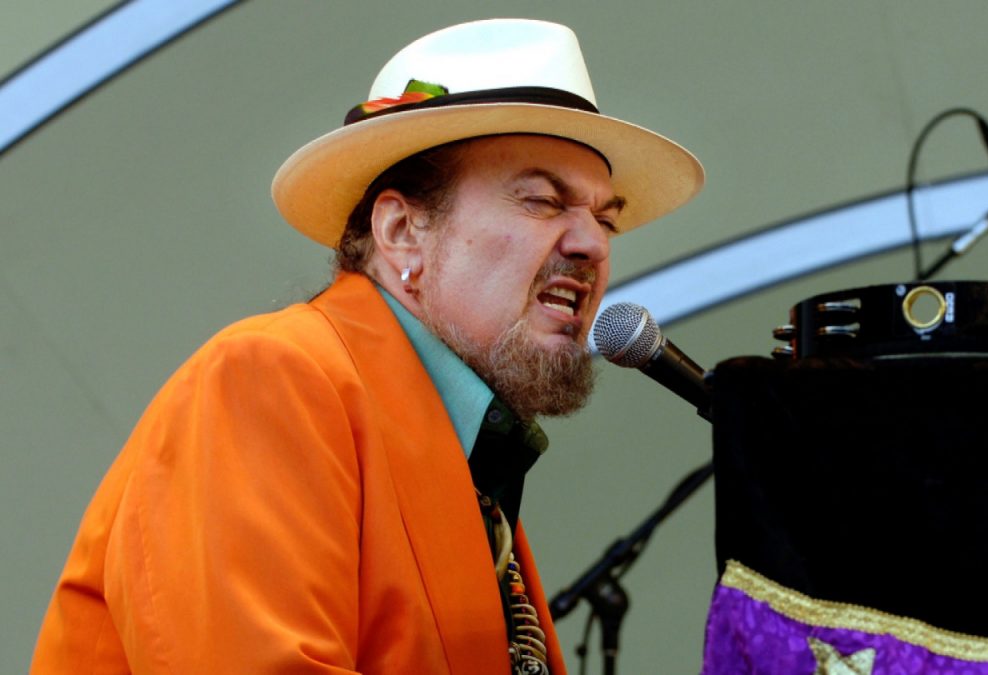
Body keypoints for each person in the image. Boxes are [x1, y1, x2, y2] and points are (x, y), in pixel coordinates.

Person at [30, 18, 703, 675]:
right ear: (403, 230)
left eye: (603, 218)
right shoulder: (271, 377)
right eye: (542, 201)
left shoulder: (462, 457)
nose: (592, 244)